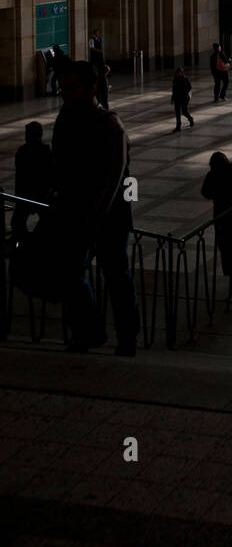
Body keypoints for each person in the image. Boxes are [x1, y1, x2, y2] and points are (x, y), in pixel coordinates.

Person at [52, 61, 138, 355]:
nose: (65, 93)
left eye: (72, 87)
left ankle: (127, 338)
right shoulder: (65, 119)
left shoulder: (110, 124)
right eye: (63, 87)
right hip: (77, 213)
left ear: (91, 88)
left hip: (108, 217)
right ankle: (89, 332)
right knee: (71, 273)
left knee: (116, 276)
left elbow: (114, 179)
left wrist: (94, 216)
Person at [12, 122, 53, 237]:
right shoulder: (45, 151)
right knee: (48, 220)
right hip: (42, 193)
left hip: (25, 193)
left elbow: (20, 177)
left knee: (17, 223)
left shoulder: (23, 151)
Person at [171, 68, 194, 132]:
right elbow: (174, 90)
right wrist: (172, 98)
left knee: (184, 111)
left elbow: (189, 87)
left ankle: (190, 119)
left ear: (182, 73)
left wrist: (185, 94)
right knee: (177, 113)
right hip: (177, 98)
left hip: (184, 98)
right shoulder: (174, 80)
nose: (178, 74)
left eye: (180, 72)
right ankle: (178, 126)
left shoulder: (185, 79)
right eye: (177, 72)